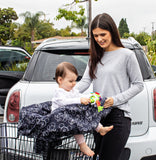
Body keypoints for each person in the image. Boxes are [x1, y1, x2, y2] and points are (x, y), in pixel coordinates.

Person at [75, 13, 144, 160]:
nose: (99, 39)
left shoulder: (127, 55)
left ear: (112, 31)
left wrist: (115, 99)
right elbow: (85, 82)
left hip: (118, 116)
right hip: (98, 116)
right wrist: (66, 94)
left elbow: (139, 85)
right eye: (95, 35)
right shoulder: (95, 57)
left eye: (103, 34)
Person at [51, 62, 113, 157]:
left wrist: (89, 97)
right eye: (71, 81)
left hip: (70, 116)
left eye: (75, 81)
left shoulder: (72, 91)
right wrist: (79, 100)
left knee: (86, 114)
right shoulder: (59, 93)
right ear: (60, 80)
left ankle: (100, 128)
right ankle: (82, 145)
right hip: (59, 118)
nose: (74, 84)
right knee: (77, 122)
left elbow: (79, 96)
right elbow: (64, 102)